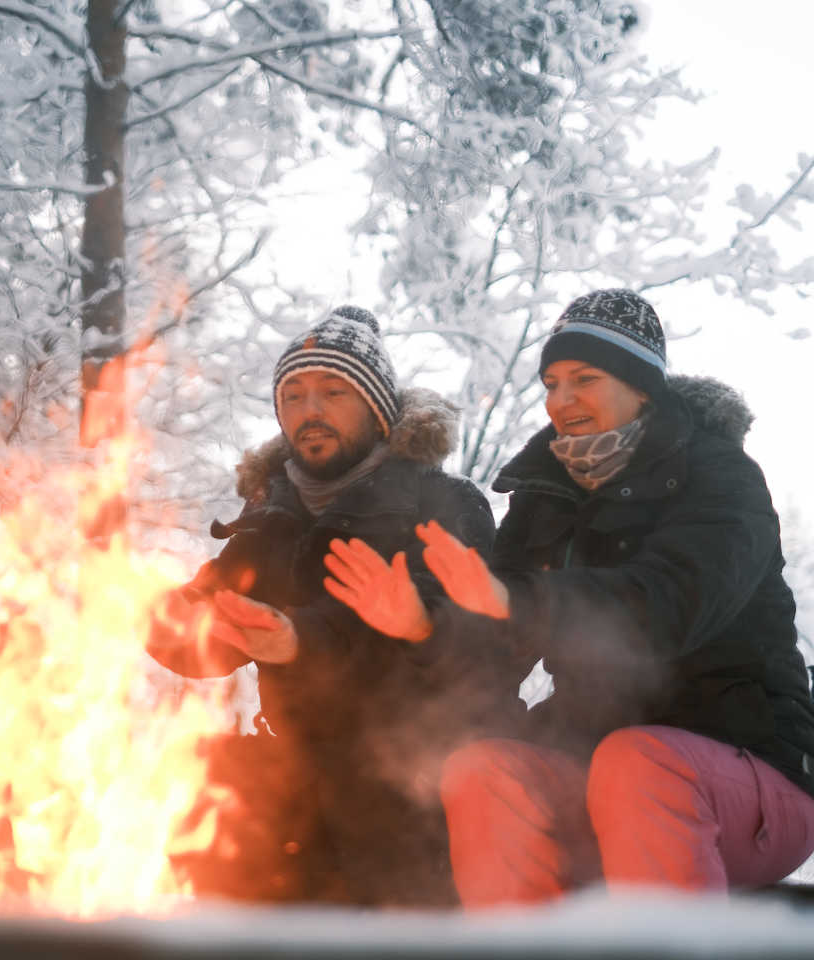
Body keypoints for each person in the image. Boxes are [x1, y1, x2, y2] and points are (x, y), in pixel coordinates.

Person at [325, 288, 814, 906]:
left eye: (584, 379)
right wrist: (423, 625)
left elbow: (668, 605)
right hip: (599, 764)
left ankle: (670, 947)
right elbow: (496, 644)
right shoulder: (546, 495)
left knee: (637, 763)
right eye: (551, 383)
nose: (561, 400)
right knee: (485, 771)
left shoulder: (720, 477)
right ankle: (522, 944)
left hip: (755, 770)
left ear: (643, 388)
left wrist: (517, 601)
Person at [146, 304, 520, 907]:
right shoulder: (269, 515)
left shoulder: (442, 502)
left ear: (378, 408)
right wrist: (154, 614)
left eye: (333, 392)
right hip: (292, 769)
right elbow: (214, 627)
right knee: (213, 793)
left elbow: (454, 633)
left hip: (415, 773)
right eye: (293, 396)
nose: (310, 410)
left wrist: (299, 638)